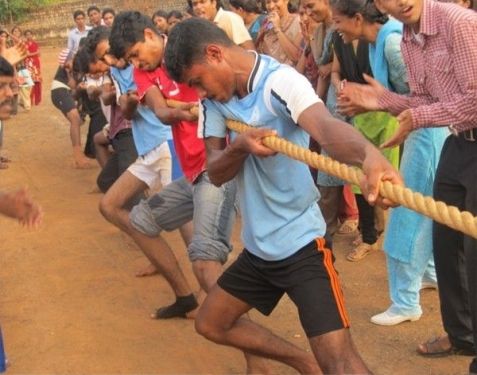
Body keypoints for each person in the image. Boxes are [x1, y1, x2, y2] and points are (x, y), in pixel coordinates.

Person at [165, 18, 402, 374]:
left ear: (215, 54)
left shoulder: (280, 81)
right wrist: (240, 148)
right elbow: (214, 171)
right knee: (211, 323)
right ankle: (302, 362)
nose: (198, 93)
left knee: (338, 362)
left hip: (303, 246)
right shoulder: (217, 102)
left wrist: (369, 156)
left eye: (197, 81)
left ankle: (316, 363)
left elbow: (325, 127)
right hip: (258, 250)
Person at [338, 0, 477, 367]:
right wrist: (382, 101)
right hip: (458, 142)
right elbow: (426, 100)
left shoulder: (460, 24)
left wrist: (415, 115)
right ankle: (464, 335)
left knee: (473, 250)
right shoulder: (408, 39)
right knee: (446, 244)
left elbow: (475, 100)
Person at [332, 0, 446, 326]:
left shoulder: (393, 42)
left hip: (427, 134)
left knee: (407, 217)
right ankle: (429, 274)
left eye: (339, 21)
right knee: (424, 210)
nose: (336, 28)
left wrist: (373, 102)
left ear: (357, 17)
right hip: (420, 132)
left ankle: (405, 302)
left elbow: (421, 100)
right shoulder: (386, 39)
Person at [190, 0, 255, 50]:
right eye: (195, 4)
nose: (198, 7)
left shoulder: (228, 18)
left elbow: (248, 48)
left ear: (213, 3)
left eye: (202, 2)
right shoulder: (201, 27)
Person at [256, 0, 302, 66]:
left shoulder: (298, 22)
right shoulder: (267, 23)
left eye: (275, 1)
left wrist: (277, 29)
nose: (271, 6)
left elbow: (296, 57)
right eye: (268, 2)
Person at [24, 30, 41, 106]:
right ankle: (30, 100)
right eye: (27, 35)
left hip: (36, 64)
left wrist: (30, 54)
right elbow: (27, 54)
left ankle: (37, 99)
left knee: (37, 81)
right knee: (29, 82)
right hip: (28, 64)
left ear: (32, 35)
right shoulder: (24, 44)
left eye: (30, 34)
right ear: (25, 36)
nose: (28, 36)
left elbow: (38, 53)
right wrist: (35, 53)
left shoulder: (35, 43)